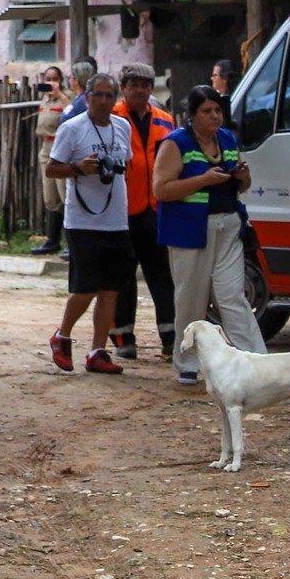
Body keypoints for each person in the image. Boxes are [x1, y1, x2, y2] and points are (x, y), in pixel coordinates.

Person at [153, 84, 266, 385]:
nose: (214, 116)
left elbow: (242, 185)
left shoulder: (227, 138)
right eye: (207, 111)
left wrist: (242, 178)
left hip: (227, 226)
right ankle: (187, 364)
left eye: (217, 110)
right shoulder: (175, 143)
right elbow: (161, 190)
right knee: (191, 299)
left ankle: (257, 361)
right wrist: (202, 179)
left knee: (233, 296)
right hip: (189, 229)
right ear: (192, 115)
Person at [46, 72, 132, 374]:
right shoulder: (72, 128)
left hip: (116, 219)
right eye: (99, 94)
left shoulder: (123, 126)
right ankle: (63, 335)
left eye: (110, 95)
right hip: (82, 220)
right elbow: (51, 169)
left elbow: (126, 166)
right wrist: (78, 168)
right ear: (88, 96)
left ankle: (98, 350)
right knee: (85, 288)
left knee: (110, 289)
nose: (104, 101)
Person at [110, 62, 178, 361]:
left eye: (144, 85)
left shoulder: (165, 121)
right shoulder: (110, 117)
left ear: (152, 89)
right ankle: (124, 338)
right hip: (121, 210)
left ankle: (170, 337)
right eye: (133, 84)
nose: (139, 89)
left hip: (156, 210)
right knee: (122, 277)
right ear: (123, 88)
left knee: (162, 276)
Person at [30, 66, 69, 257]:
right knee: (50, 198)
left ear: (61, 80)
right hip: (46, 148)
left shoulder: (65, 97)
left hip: (60, 149)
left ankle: (71, 243)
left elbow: (71, 114)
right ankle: (52, 240)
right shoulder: (45, 98)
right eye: (48, 78)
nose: (51, 82)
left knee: (65, 195)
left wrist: (60, 94)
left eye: (55, 78)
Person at [59, 57, 99, 124]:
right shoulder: (81, 98)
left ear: (76, 80)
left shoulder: (84, 100)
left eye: (71, 77)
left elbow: (67, 118)